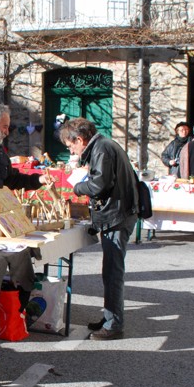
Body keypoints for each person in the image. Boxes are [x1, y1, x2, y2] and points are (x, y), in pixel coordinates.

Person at [60, 117, 139, 341]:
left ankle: (114, 325)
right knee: (110, 272)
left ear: (79, 139)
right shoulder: (104, 146)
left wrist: (78, 187)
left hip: (118, 216)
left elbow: (99, 184)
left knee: (113, 273)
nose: (71, 151)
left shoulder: (102, 148)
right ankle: (109, 318)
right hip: (118, 213)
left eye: (71, 145)